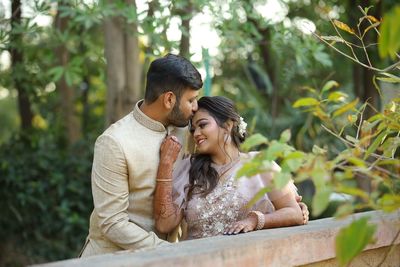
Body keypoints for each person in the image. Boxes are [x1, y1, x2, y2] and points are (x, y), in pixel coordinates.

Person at [79, 53, 203, 257]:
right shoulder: (114, 142)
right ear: (169, 99)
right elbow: (113, 223)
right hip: (112, 259)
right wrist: (169, 251)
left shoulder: (187, 129)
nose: (196, 107)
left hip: (166, 258)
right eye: (191, 100)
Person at [153, 96, 307, 239]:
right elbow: (164, 224)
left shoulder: (260, 165)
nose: (196, 133)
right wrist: (166, 164)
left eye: (202, 125)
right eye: (193, 129)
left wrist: (256, 220)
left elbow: (294, 213)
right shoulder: (190, 168)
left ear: (227, 125)